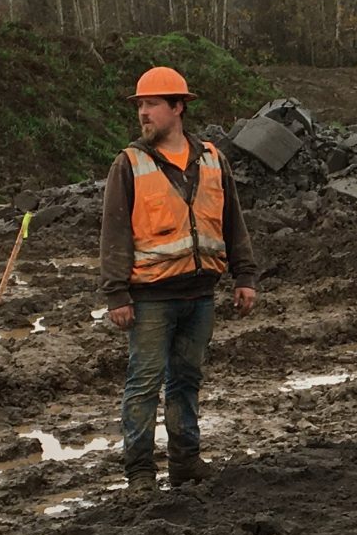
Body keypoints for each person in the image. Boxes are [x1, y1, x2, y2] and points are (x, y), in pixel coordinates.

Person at [99, 65, 258, 490]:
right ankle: (140, 472)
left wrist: (244, 276)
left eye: (151, 104)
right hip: (150, 297)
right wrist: (117, 294)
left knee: (186, 381)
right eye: (140, 106)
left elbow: (232, 221)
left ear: (178, 107)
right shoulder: (129, 164)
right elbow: (114, 232)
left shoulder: (212, 159)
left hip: (200, 294)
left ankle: (185, 462)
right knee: (144, 386)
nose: (143, 113)